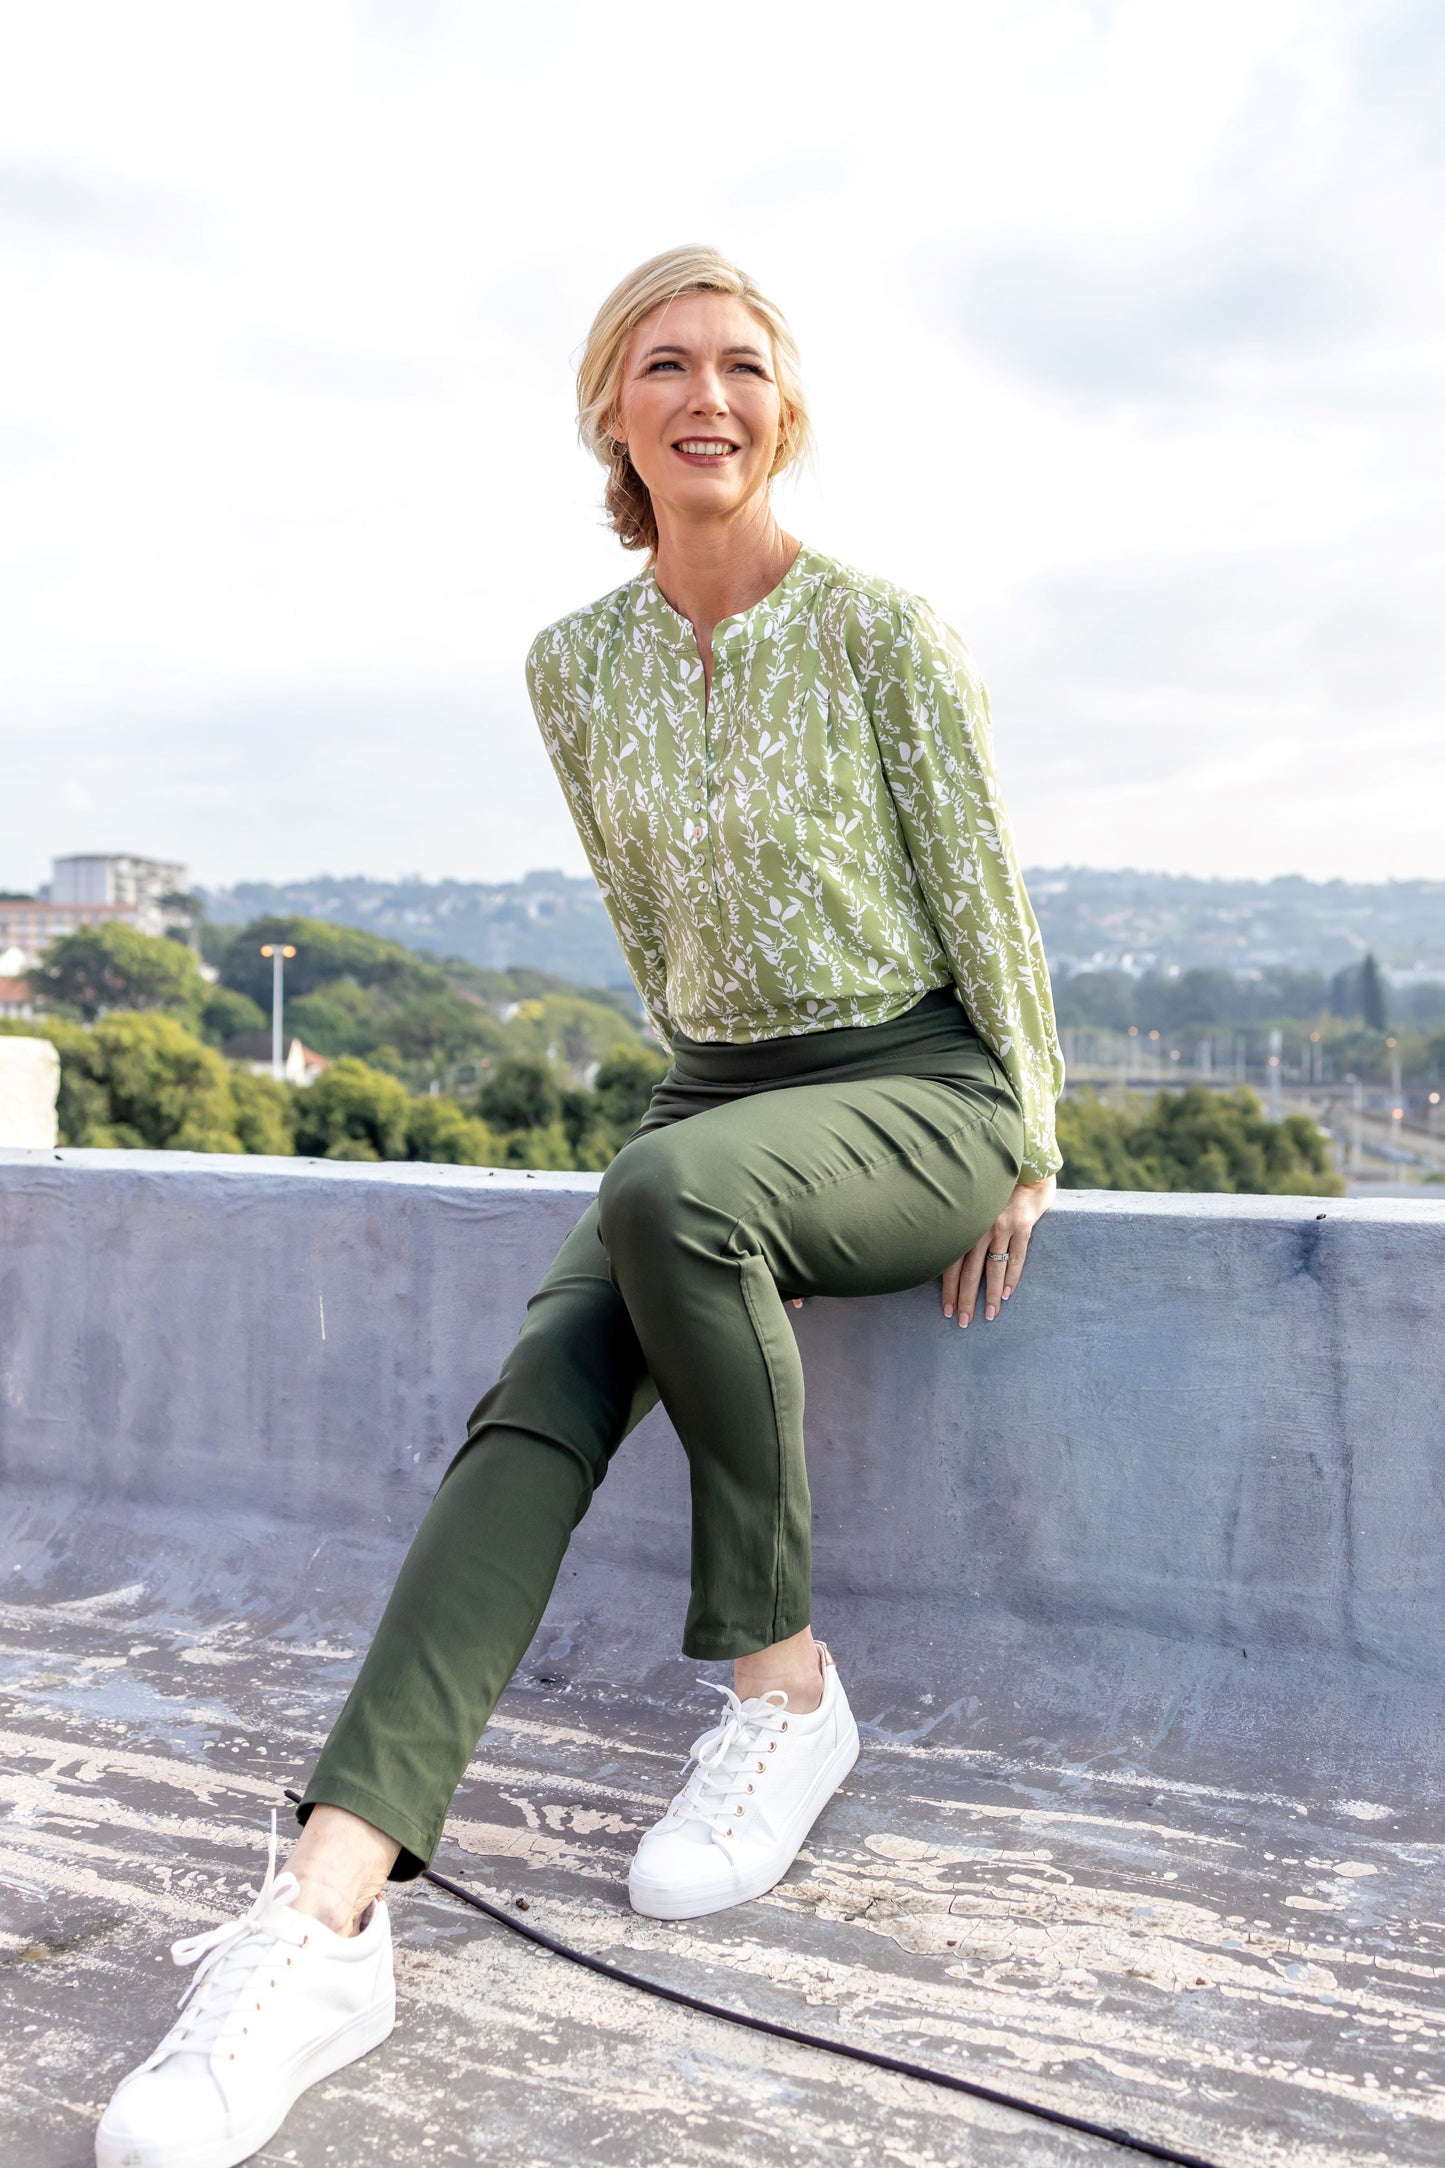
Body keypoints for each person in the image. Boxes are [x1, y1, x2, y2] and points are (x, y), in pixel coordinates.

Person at [95, 244, 1065, 2168]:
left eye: (744, 365)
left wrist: (1018, 1139)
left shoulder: (881, 633)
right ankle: (322, 1917)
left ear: (787, 409)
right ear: (611, 412)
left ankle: (784, 1688)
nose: (709, 397)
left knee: (672, 1190)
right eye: (665, 365)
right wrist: (720, 1164)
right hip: (713, 1109)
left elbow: (988, 903)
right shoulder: (575, 666)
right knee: (531, 1412)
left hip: (925, 1086)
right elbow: (659, 944)